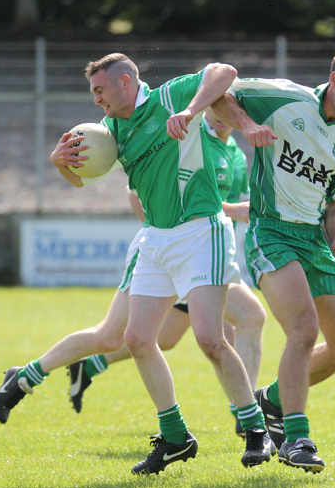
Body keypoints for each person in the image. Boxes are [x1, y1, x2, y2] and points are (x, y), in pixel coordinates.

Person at [0, 53, 272, 475]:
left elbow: (224, 72)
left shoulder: (169, 97)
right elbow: (80, 180)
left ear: (126, 82)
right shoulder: (110, 131)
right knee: (139, 339)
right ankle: (176, 437)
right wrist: (60, 164)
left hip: (201, 232)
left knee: (210, 338)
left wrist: (190, 110)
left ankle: (256, 430)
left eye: (99, 90)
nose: (96, 101)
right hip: (156, 240)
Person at [212, 42, 335, 474]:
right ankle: (296, 437)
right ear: (333, 80)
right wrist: (249, 125)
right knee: (304, 329)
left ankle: (271, 400)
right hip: (270, 230)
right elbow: (217, 90)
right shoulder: (286, 98)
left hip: (314, 239)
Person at [67, 109, 267, 441]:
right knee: (247, 319)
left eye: (226, 110)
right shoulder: (190, 138)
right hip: (187, 253)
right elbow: (139, 194)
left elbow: (222, 203)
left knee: (162, 340)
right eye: (213, 109)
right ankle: (247, 413)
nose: (219, 117)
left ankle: (90, 365)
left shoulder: (234, 153)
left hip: (209, 254)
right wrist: (164, 227)